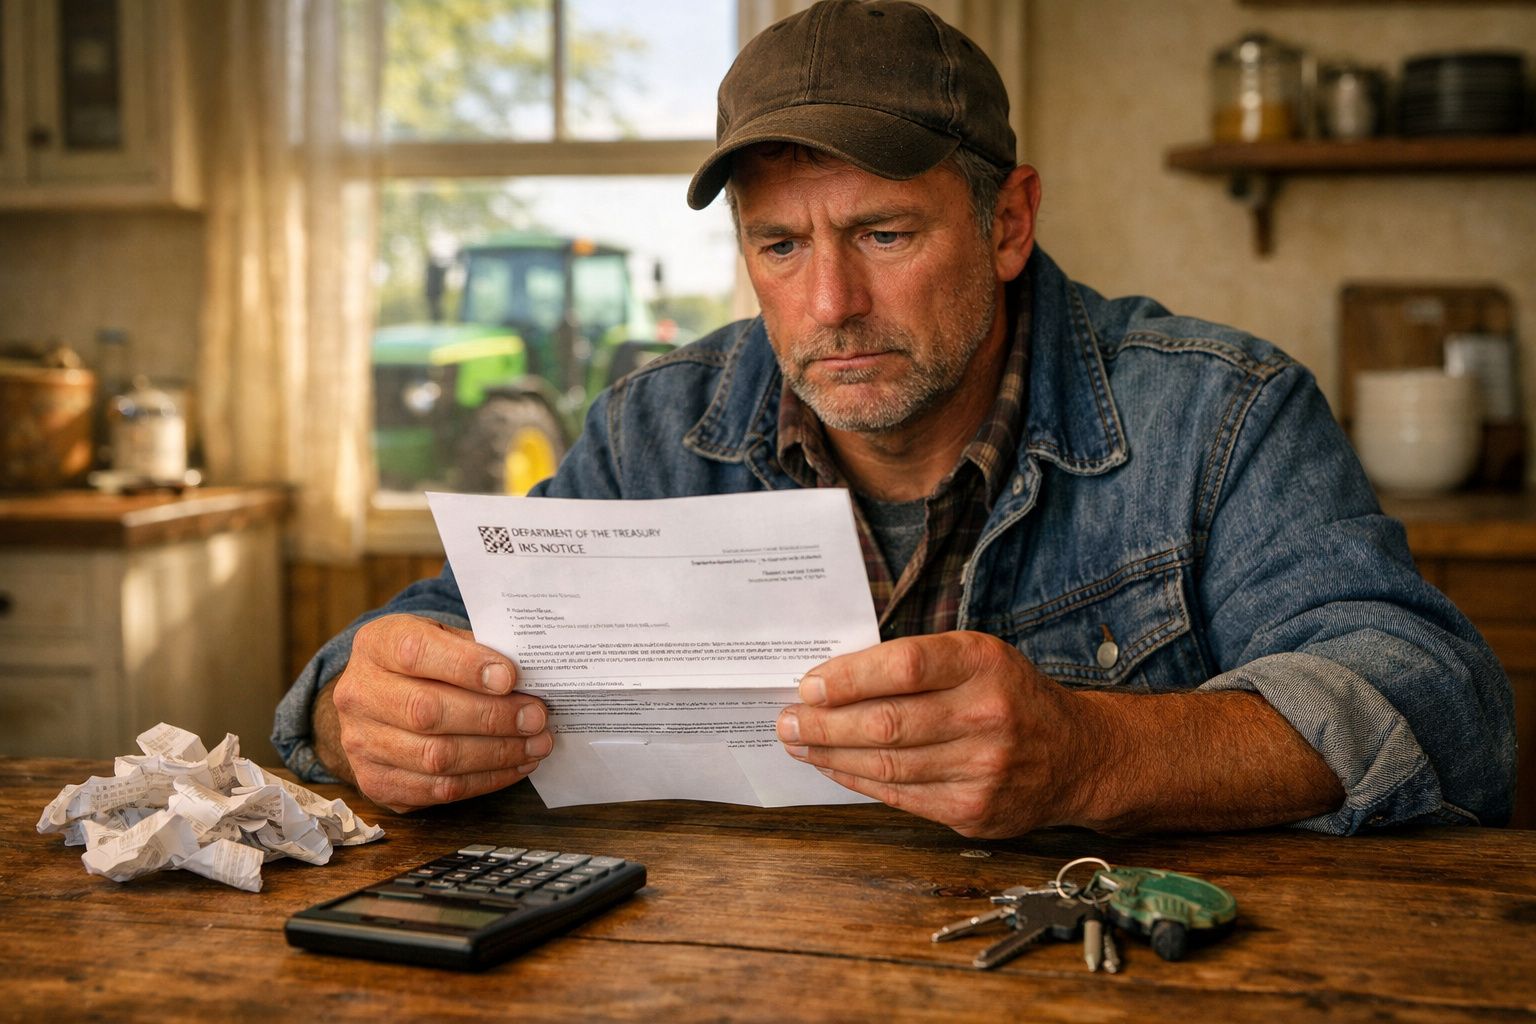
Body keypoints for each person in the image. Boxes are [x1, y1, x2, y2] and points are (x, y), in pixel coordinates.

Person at [274, 0, 1515, 837]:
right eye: (778, 244)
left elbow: (1438, 704)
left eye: (884, 233)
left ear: (1008, 223)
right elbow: (407, 649)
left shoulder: (1221, 414)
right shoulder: (657, 428)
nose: (829, 304)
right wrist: (359, 709)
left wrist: (1090, 752)